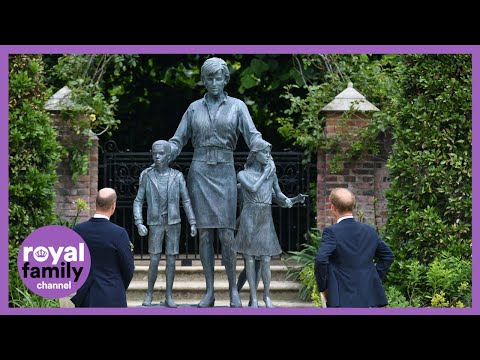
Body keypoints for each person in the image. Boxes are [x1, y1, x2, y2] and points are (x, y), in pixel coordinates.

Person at [168, 57, 264, 308]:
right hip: (199, 172)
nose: (213, 82)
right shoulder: (193, 108)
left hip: (224, 171)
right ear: (203, 79)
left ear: (225, 79)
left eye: (218, 77)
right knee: (205, 234)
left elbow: (252, 136)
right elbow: (178, 140)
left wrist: (263, 149)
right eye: (209, 78)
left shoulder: (237, 106)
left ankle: (233, 289)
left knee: (227, 234)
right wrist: (167, 149)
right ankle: (209, 291)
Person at [233, 139, 306, 307]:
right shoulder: (243, 174)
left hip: (265, 217)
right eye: (265, 152)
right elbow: (252, 188)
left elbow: (279, 196)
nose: (268, 156)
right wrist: (266, 175)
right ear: (255, 154)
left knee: (266, 259)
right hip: (249, 216)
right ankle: (254, 298)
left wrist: (293, 200)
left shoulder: (270, 175)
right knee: (250, 258)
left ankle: (266, 296)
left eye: (269, 153)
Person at [133, 140, 197, 307]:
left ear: (169, 156)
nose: (157, 157)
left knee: (171, 260)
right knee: (154, 260)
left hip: (173, 222)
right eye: (155, 153)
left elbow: (186, 200)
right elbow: (138, 201)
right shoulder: (147, 176)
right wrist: (139, 222)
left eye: (161, 154)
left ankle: (169, 296)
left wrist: (192, 222)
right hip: (155, 223)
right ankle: (149, 294)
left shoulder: (177, 176)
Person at [314, 188, 395, 308]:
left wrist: (324, 287)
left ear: (332, 207)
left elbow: (320, 259)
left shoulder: (332, 232)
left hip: (341, 298)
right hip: (368, 297)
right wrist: (373, 278)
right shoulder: (369, 231)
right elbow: (388, 256)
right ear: (353, 206)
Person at [71, 188, 135, 307]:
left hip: (85, 296)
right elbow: (128, 268)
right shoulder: (119, 233)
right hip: (113, 296)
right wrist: (118, 286)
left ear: (96, 204)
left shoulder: (78, 230)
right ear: (113, 206)